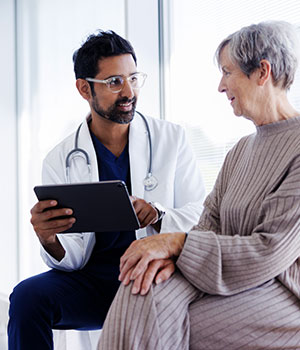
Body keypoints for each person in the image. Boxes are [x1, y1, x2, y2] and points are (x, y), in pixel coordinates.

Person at [97, 21, 300, 350]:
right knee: (140, 287)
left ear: (262, 72)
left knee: (173, 324)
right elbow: (210, 224)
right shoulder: (240, 151)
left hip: (283, 289)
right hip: (226, 275)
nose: (221, 86)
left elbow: (269, 250)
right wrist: (170, 256)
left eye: (227, 71)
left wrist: (178, 245)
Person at [7, 30, 205, 350]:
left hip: (154, 272)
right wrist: (48, 239)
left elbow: (201, 214)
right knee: (27, 298)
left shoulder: (172, 139)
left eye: (133, 78)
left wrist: (159, 213)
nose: (128, 91)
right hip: (95, 282)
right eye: (114, 82)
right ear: (85, 89)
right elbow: (70, 259)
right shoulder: (60, 159)